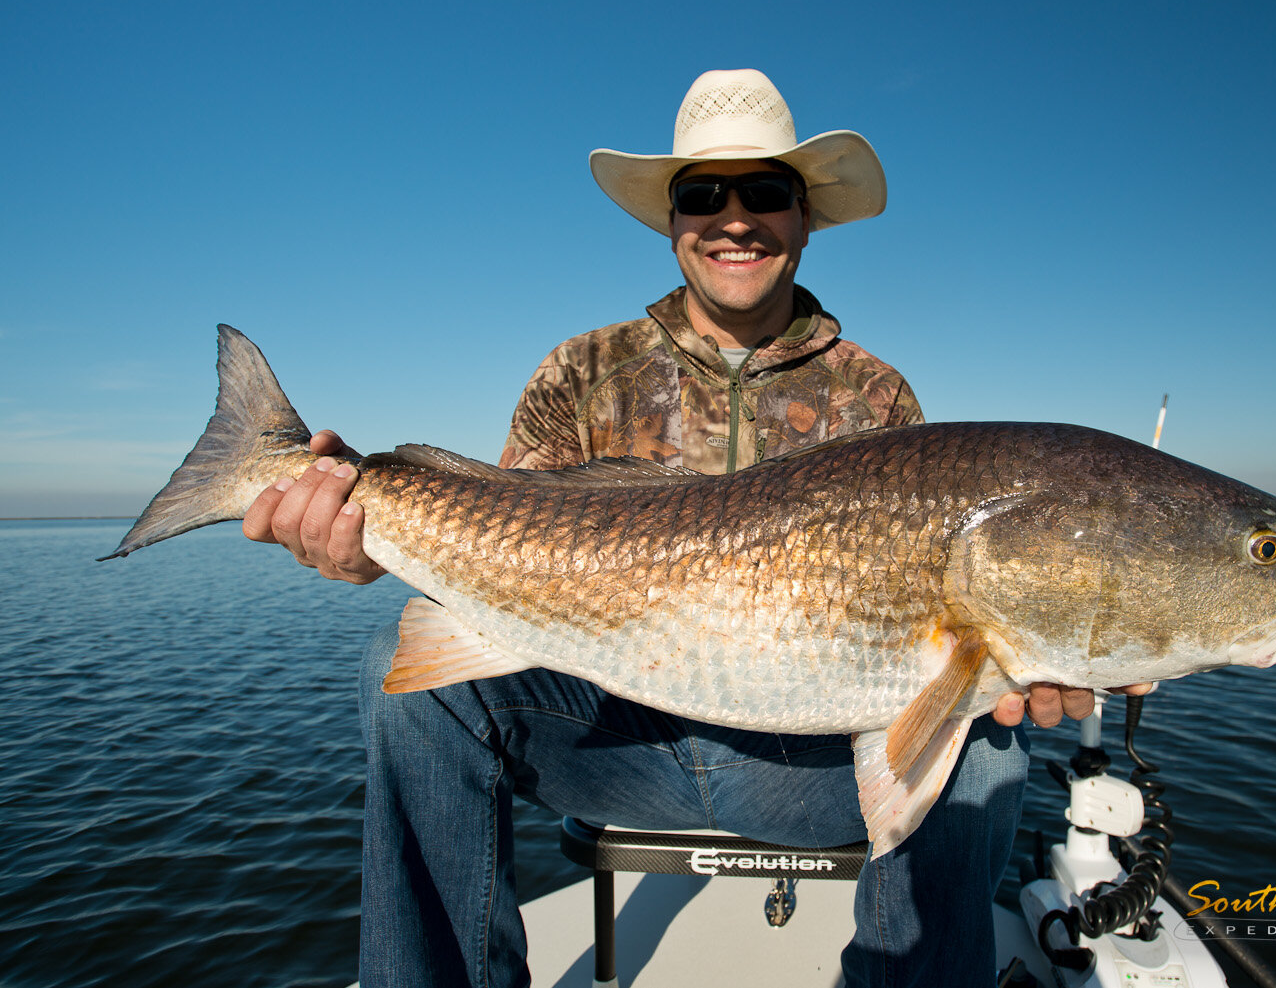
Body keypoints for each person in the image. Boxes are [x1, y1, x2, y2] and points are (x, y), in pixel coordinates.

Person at [245, 69, 1143, 987]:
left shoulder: (878, 396)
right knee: (399, 681)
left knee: (990, 737)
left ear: (805, 217)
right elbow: (498, 556)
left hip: (800, 758)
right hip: (608, 739)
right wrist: (366, 540)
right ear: (673, 220)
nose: (734, 217)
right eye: (702, 194)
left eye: (765, 191)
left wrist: (1023, 659)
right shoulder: (581, 371)